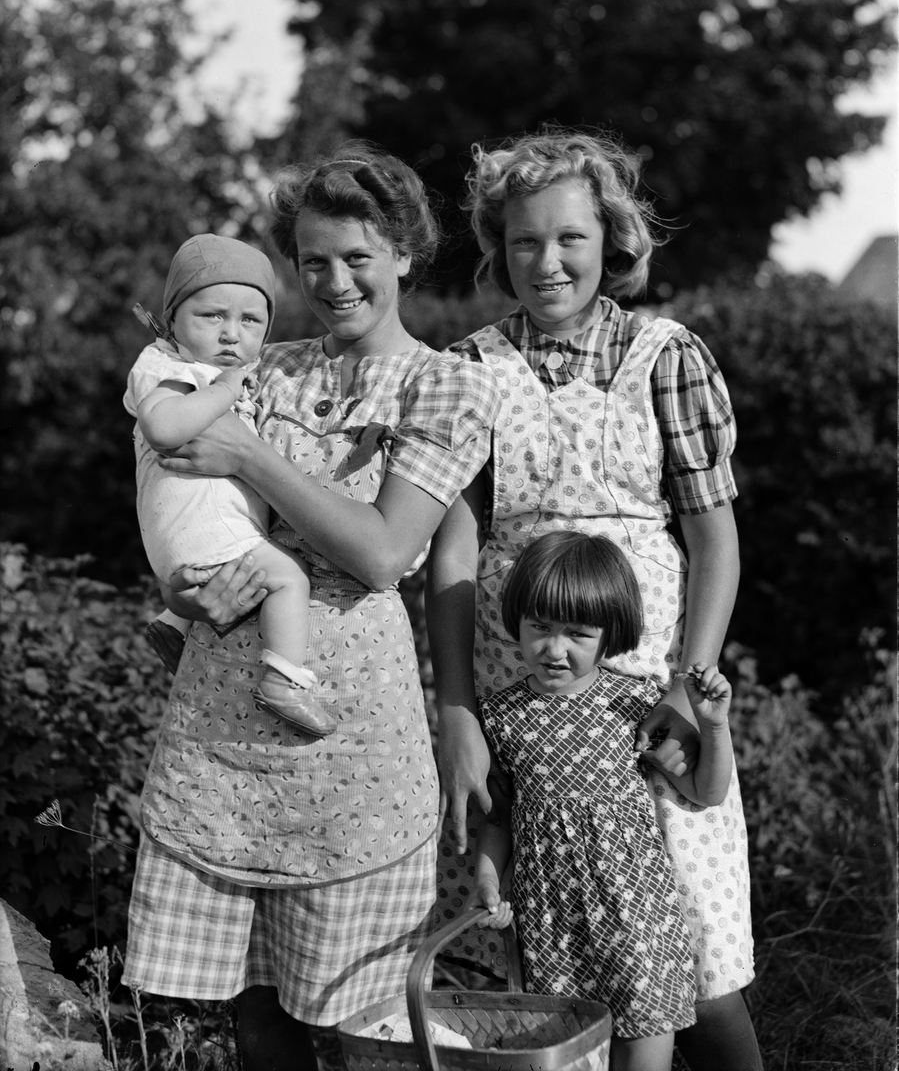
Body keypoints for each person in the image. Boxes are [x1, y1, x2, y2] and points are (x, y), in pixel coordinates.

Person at [121, 145, 500, 1071]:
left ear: (404, 254)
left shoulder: (446, 385)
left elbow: (382, 552)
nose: (333, 283)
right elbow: (176, 492)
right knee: (256, 1017)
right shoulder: (263, 365)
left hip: (355, 742)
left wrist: (249, 455)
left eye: (356, 258)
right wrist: (178, 587)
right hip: (223, 729)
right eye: (312, 261)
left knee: (362, 1024)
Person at [427, 128, 762, 1070]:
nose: (548, 262)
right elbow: (452, 554)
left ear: (610, 239)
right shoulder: (471, 367)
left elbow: (713, 540)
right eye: (524, 240)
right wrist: (458, 711)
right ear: (498, 247)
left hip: (646, 697)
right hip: (520, 695)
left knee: (697, 954)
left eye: (569, 238)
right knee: (548, 954)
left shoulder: (665, 355)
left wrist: (689, 686)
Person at [474, 531, 736, 1071]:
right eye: (540, 627)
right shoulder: (499, 717)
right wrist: (486, 879)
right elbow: (499, 818)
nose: (555, 649)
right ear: (516, 621)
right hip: (551, 923)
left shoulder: (635, 704)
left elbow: (705, 791)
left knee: (644, 1051)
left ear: (609, 634)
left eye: (578, 633)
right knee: (565, 1051)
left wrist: (713, 726)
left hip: (637, 915)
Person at [125, 233, 335, 736]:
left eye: (250, 321)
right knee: (289, 577)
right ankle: (283, 680)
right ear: (172, 319)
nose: (231, 335)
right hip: (203, 529)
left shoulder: (212, 370)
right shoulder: (172, 369)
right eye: (212, 316)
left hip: (188, 534)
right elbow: (163, 427)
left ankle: (174, 623)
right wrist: (223, 391)